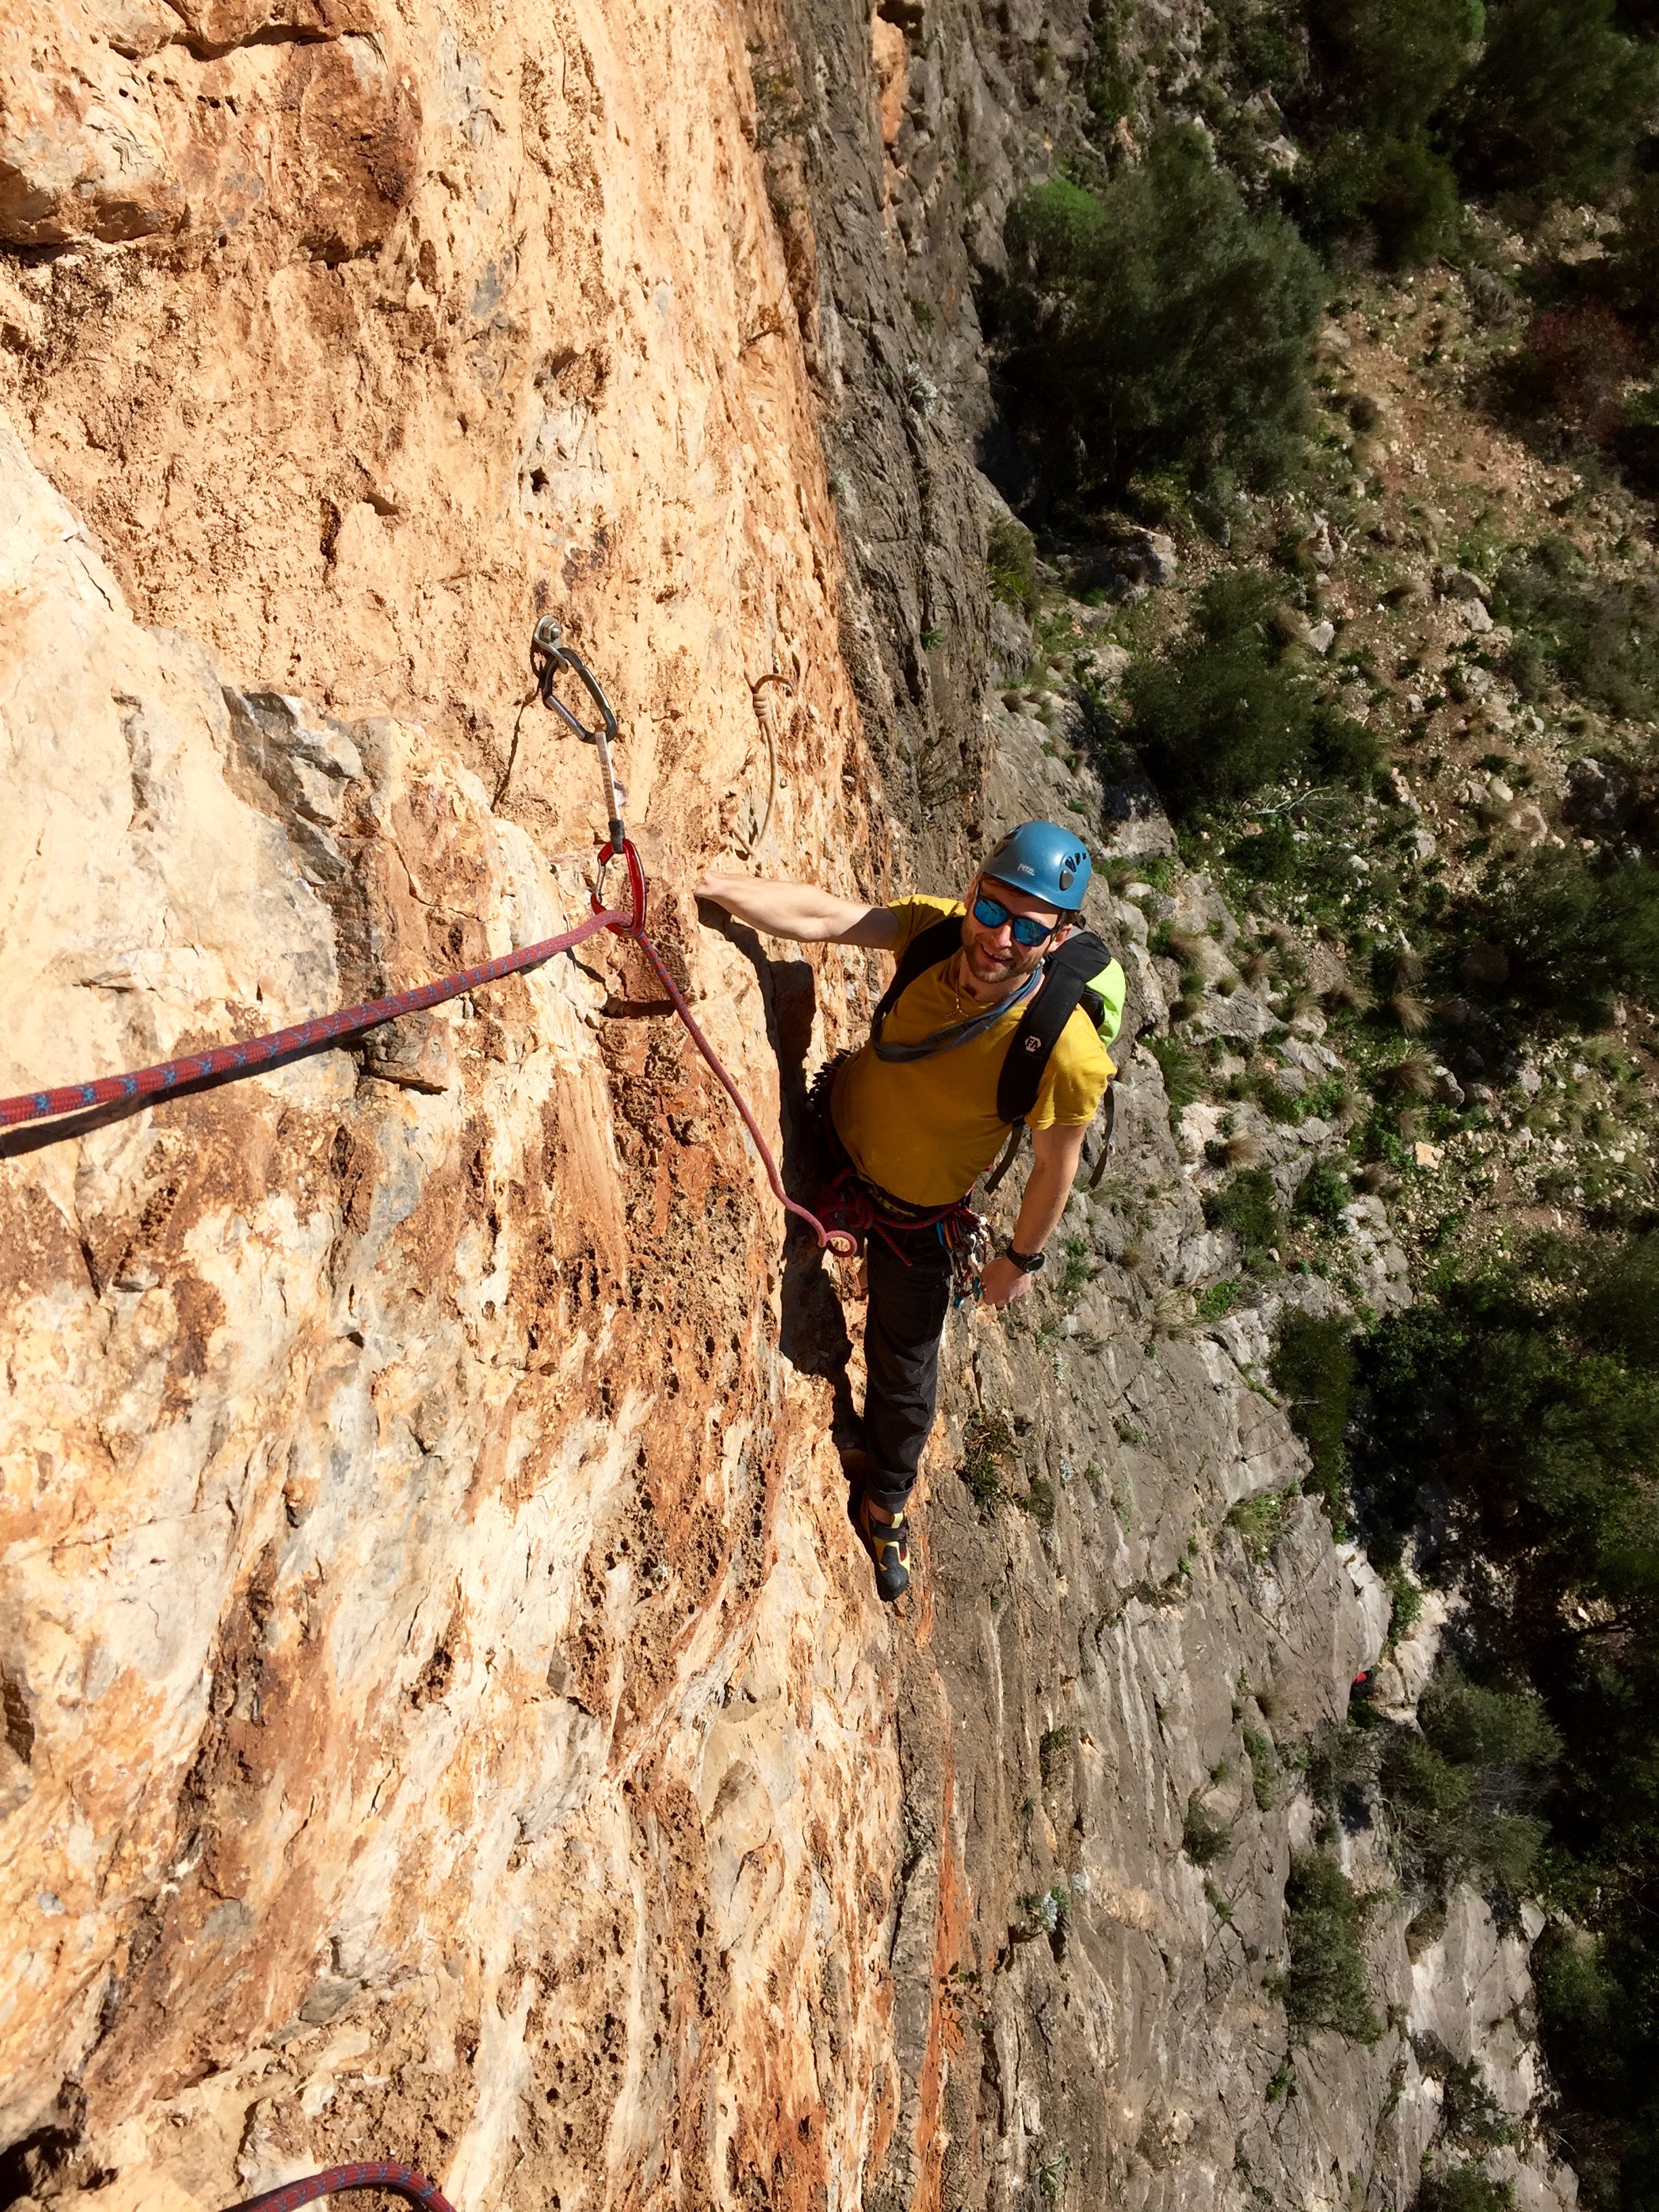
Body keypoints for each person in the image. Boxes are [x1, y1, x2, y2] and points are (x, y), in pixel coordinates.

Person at [695, 821, 1115, 1602]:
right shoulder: (931, 932)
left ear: (1058, 940)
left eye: (1030, 928)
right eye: (993, 911)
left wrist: (1018, 1261)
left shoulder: (1066, 1049)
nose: (1000, 938)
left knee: (906, 1373)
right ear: (973, 894)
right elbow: (828, 917)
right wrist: (717, 891)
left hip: (920, 1214)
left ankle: (885, 1503)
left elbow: (1056, 1169)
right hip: (831, 1137)